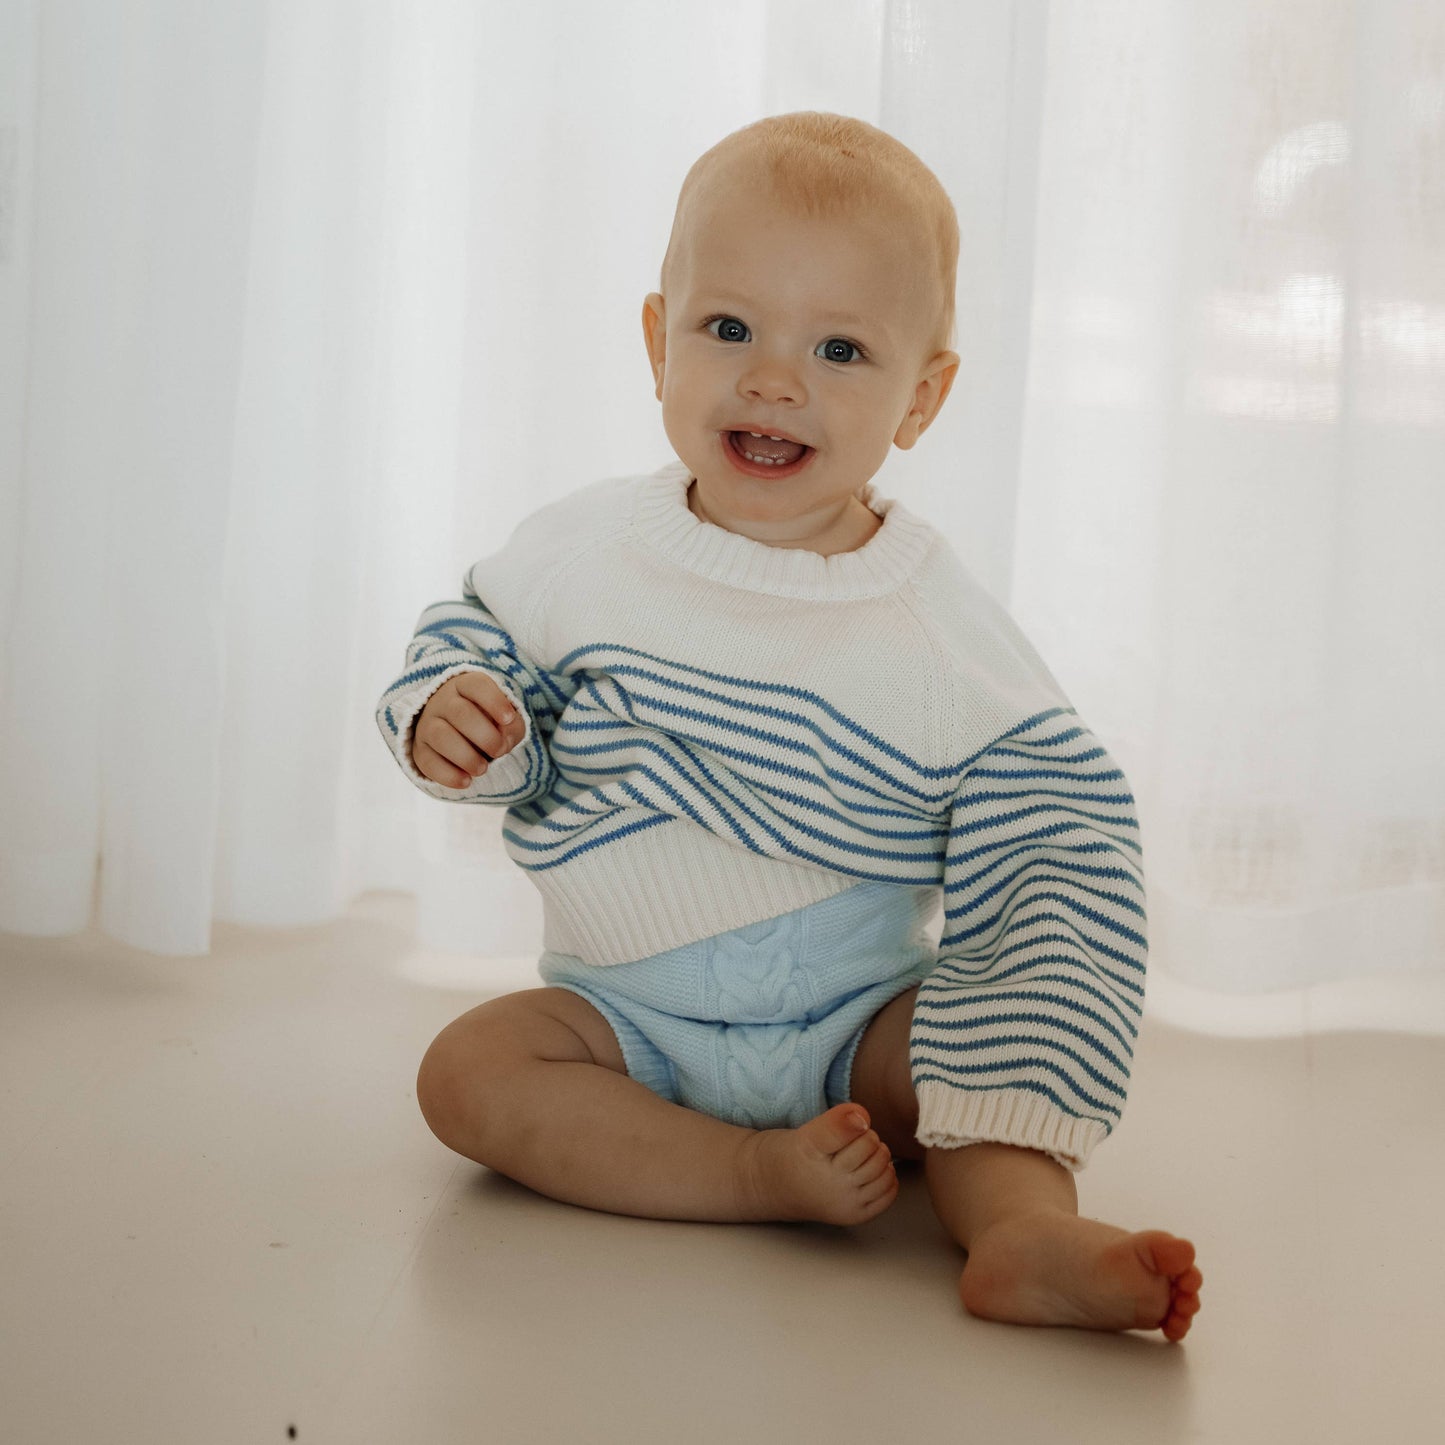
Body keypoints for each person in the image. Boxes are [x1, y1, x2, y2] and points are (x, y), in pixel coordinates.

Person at [376, 112, 1203, 1341]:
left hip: (854, 1030)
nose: (773, 378)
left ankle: (1020, 1228)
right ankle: (739, 1172)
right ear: (658, 343)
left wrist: (1019, 977)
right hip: (621, 1023)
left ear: (920, 397)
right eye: (728, 328)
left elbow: (1054, 812)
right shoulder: (582, 552)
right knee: (466, 1075)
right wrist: (459, 721)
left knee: (969, 1051)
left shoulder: (929, 622)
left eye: (839, 347)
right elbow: (470, 640)